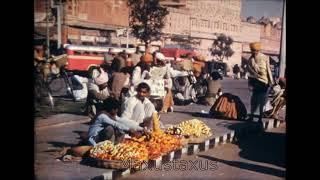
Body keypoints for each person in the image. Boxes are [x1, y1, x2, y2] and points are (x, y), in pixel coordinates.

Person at [246, 42, 274, 128]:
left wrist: (271, 82)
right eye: (253, 50)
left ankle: (260, 118)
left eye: (255, 50)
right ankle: (251, 116)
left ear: (258, 50)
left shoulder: (264, 57)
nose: (254, 52)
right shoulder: (250, 60)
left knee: (262, 101)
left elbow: (268, 70)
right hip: (255, 82)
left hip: (263, 82)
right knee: (253, 100)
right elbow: (249, 71)